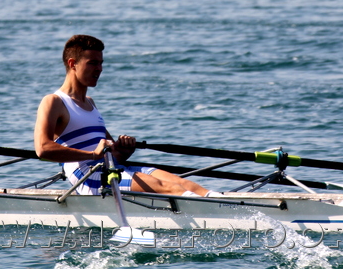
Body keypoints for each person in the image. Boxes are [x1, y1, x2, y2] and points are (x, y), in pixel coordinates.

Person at [34, 34, 217, 197]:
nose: (100, 69)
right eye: (93, 63)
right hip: (89, 178)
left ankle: (221, 202)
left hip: (111, 169)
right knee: (166, 187)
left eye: (101, 63)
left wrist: (124, 151)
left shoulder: (90, 103)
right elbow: (42, 149)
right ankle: (213, 215)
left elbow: (112, 155)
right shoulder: (54, 101)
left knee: (182, 183)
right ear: (72, 63)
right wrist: (93, 153)